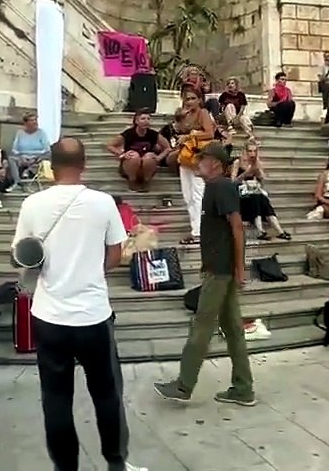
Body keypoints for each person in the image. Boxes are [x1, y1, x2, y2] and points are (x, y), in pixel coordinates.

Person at [13, 138, 149, 471]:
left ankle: (66, 468)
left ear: (51, 166)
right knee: (107, 394)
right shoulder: (103, 203)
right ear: (84, 164)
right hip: (93, 315)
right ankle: (116, 462)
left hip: (49, 317)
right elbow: (116, 255)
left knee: (56, 399)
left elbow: (23, 257)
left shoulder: (32, 204)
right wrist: (89, 269)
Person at [155, 143, 255, 407]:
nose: (197, 163)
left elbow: (237, 229)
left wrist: (239, 269)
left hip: (220, 271)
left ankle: (183, 384)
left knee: (202, 326)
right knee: (233, 329)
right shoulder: (215, 187)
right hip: (220, 268)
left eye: (203, 159)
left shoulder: (220, 187)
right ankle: (243, 388)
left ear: (216, 164)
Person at [177, 90, 216, 244]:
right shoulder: (185, 114)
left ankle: (199, 231)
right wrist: (181, 117)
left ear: (199, 100)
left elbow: (210, 133)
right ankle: (195, 229)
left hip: (198, 155)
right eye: (187, 99)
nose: (190, 101)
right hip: (186, 156)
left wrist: (190, 135)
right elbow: (179, 130)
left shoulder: (203, 113)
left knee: (197, 193)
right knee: (187, 195)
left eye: (193, 98)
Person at [232, 143, 289, 241]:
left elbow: (262, 181)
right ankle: (260, 231)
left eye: (254, 151)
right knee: (256, 198)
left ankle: (279, 231)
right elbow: (232, 182)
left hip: (254, 191)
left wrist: (258, 173)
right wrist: (246, 174)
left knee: (262, 198)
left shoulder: (257, 163)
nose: (252, 153)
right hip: (241, 194)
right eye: (250, 151)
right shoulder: (238, 162)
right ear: (245, 151)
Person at [107, 109, 169, 192]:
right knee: (134, 156)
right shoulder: (129, 134)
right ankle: (132, 181)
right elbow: (110, 145)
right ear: (136, 121)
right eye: (143, 119)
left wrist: (159, 158)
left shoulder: (153, 134)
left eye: (148, 119)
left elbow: (167, 147)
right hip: (130, 165)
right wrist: (122, 154)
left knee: (149, 157)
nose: (146, 121)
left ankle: (146, 181)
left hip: (146, 165)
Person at [8, 113, 51, 191]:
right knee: (11, 158)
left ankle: (28, 171)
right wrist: (21, 157)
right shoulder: (20, 133)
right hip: (23, 157)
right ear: (26, 123)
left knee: (48, 155)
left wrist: (36, 157)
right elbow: (14, 149)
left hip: (37, 157)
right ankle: (17, 182)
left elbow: (46, 148)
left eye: (35, 120)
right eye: (31, 120)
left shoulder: (41, 133)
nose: (35, 122)